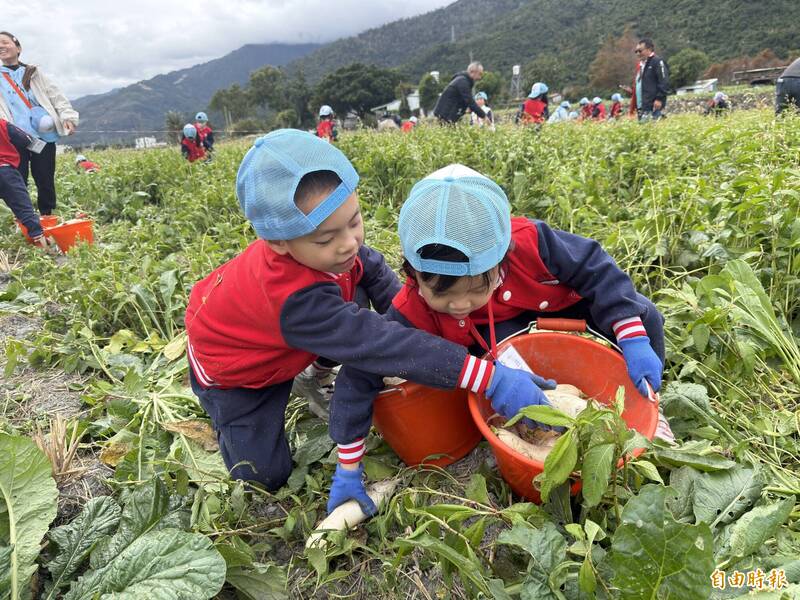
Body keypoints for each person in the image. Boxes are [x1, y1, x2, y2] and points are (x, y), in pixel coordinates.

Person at [184, 130, 548, 496]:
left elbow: (376, 275)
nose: (349, 243)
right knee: (263, 476)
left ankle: (312, 371)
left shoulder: (334, 253)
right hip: (239, 371)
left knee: (357, 310)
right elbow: (377, 342)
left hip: (298, 334)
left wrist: (416, 327)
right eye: (326, 239)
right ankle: (233, 419)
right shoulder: (295, 300)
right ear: (278, 242)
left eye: (354, 221)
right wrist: (490, 378)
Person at [328, 164, 666, 512]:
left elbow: (595, 268)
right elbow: (362, 368)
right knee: (500, 364)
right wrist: (348, 466)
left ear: (501, 261)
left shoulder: (531, 243)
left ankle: (649, 401)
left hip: (557, 309)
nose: (460, 304)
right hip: (495, 342)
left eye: (477, 288)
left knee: (643, 314)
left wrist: (632, 336)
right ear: (412, 274)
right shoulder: (411, 308)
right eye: (441, 294)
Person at [0, 31, 78, 216]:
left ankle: (47, 215)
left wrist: (67, 117)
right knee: (17, 180)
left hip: (41, 135)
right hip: (14, 137)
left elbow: (55, 95)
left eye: (4, 42)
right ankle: (24, 218)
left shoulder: (33, 73)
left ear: (18, 47)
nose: (1, 46)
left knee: (45, 178)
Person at [0, 118, 48, 248]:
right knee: (24, 209)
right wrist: (42, 149)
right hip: (5, 172)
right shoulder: (2, 124)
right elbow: (26, 140)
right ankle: (40, 241)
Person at [625, 38, 669, 121]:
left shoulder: (657, 62)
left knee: (653, 127)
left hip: (653, 107)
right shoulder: (641, 65)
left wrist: (659, 99)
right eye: (636, 51)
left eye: (640, 51)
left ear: (649, 49)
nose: (638, 53)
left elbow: (664, 81)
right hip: (641, 107)